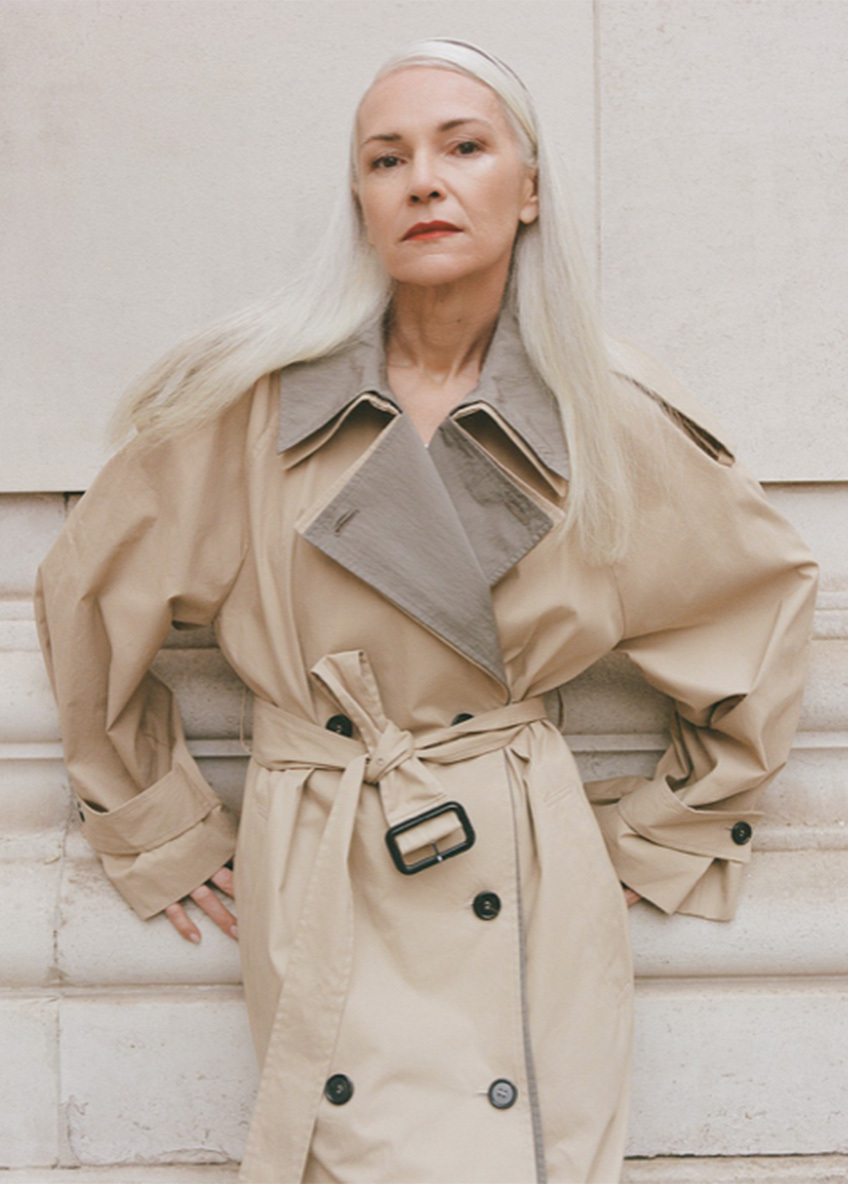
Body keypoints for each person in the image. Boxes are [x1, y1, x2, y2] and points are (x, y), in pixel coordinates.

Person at [35, 37, 817, 1184]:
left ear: (529, 186)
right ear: (359, 201)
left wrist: (673, 832)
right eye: (386, 158)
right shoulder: (252, 408)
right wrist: (156, 823)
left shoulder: (602, 416)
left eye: (463, 147)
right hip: (330, 845)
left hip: (521, 856)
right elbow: (89, 593)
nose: (423, 182)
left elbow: (759, 601)